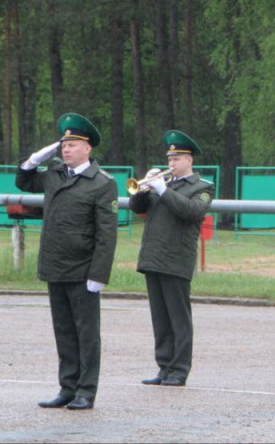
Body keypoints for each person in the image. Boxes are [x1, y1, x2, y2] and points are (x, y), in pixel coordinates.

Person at [16, 113, 118, 411]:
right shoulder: (56, 175)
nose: (66, 149)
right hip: (55, 266)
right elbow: (24, 182)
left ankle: (86, 390)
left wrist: (99, 273)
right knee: (63, 330)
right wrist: (34, 159)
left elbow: (106, 234)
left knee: (86, 333)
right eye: (64, 145)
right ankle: (67, 387)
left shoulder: (101, 183)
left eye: (72, 144)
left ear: (88, 148)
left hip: (83, 269)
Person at [130, 130, 215, 388]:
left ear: (189, 160)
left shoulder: (202, 187)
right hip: (154, 257)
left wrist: (162, 189)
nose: (171, 164)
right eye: (169, 159)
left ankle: (179, 369)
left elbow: (191, 211)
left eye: (176, 159)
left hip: (177, 259)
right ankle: (164, 366)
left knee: (179, 318)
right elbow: (136, 209)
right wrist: (144, 188)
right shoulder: (162, 185)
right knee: (160, 318)